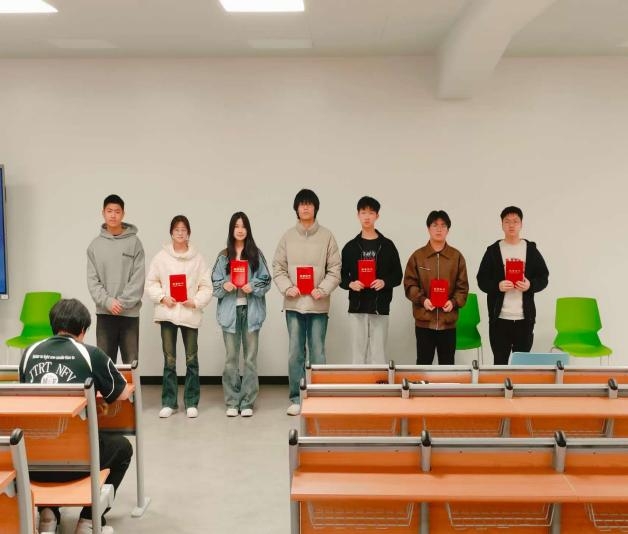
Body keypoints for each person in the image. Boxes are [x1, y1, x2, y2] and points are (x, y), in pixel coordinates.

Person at [19, 298, 133, 534]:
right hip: (80, 463)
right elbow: (121, 393)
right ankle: (89, 520)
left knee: (47, 441)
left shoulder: (28, 353)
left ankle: (48, 514)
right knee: (122, 448)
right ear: (82, 329)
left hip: (33, 463)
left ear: (53, 325)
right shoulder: (91, 354)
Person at [273, 189, 341, 415]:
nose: (305, 207)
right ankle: (296, 397)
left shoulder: (327, 236)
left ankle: (319, 396)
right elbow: (278, 267)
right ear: (296, 208)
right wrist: (287, 288)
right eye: (301, 204)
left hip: (318, 305)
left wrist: (323, 289)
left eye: (309, 204)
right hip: (294, 305)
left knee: (318, 352)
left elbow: (335, 269)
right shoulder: (287, 237)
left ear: (315, 208)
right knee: (295, 353)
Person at [145, 215, 212, 418]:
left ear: (188, 233)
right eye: (177, 230)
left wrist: (196, 301)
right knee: (169, 360)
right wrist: (163, 297)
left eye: (184, 230)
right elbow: (151, 283)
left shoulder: (198, 259)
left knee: (192, 359)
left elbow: (206, 286)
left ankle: (191, 402)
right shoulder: (161, 258)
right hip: (168, 314)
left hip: (189, 313)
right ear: (171, 233)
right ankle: (169, 402)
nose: (180, 233)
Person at [211, 212, 272, 417]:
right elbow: (214, 284)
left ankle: (247, 402)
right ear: (231, 229)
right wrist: (225, 285)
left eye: (243, 226)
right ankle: (232, 401)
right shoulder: (223, 256)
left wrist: (252, 286)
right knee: (231, 358)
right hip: (230, 312)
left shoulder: (255, 254)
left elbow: (266, 280)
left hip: (251, 311)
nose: (240, 230)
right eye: (236, 226)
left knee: (250, 359)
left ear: (248, 230)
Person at [476, 206, 549, 365]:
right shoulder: (493, 251)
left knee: (521, 365)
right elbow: (481, 280)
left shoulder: (530, 250)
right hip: (499, 319)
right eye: (507, 221)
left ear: (521, 224)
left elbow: (544, 277)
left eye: (515, 221)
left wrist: (530, 285)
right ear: (502, 224)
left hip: (524, 319)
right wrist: (498, 286)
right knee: (499, 363)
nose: (511, 225)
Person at [340, 196, 402, 364]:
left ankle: (379, 382)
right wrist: (351, 284)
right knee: (357, 354)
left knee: (379, 354)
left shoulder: (387, 246)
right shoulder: (350, 247)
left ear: (377, 216)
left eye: (371, 213)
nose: (367, 216)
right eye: (363, 212)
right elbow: (340, 275)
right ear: (358, 215)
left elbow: (398, 275)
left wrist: (384, 282)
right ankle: (359, 382)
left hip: (380, 306)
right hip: (357, 306)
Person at [404, 210, 469, 365]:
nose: (439, 229)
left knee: (447, 365)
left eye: (443, 225)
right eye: (435, 225)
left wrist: (453, 302)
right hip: (424, 321)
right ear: (428, 228)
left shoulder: (456, 257)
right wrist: (423, 300)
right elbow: (409, 284)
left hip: (448, 323)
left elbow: (462, 287)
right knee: (423, 364)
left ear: (448, 230)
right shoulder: (418, 256)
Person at [87, 194, 145, 364]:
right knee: (104, 365)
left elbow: (138, 278)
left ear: (123, 214)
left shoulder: (134, 243)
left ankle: (131, 387)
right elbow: (93, 281)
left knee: (131, 365)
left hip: (129, 315)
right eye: (109, 211)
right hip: (105, 314)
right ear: (103, 213)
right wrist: (108, 302)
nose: (113, 215)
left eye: (117, 211)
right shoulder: (94, 246)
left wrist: (122, 303)